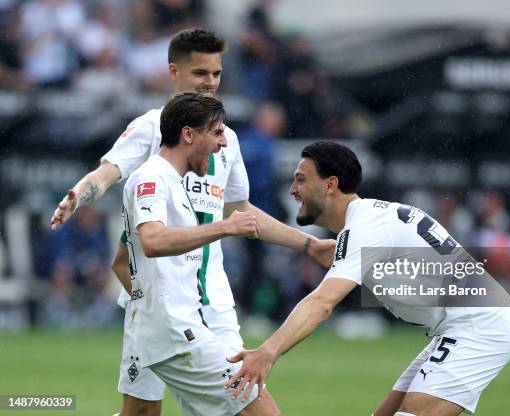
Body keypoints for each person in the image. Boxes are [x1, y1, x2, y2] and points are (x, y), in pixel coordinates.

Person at [50, 28, 333, 416]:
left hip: (210, 299)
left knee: (232, 401)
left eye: (216, 74)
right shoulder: (152, 130)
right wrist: (79, 195)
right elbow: (109, 173)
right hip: (165, 309)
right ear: (174, 73)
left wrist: (307, 243)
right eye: (201, 73)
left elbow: (240, 212)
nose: (210, 82)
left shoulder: (225, 139)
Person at [225, 141, 510, 416]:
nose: (293, 189)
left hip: (482, 325)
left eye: (301, 179)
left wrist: (268, 351)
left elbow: (322, 303)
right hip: (462, 324)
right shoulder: (370, 219)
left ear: (330, 185)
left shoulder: (364, 227)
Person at [123, 91, 278, 415]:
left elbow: (120, 261)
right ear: (188, 134)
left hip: (178, 327)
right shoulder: (151, 179)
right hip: (177, 334)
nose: (224, 144)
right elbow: (152, 241)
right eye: (217, 132)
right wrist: (224, 227)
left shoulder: (175, 183)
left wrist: (147, 309)